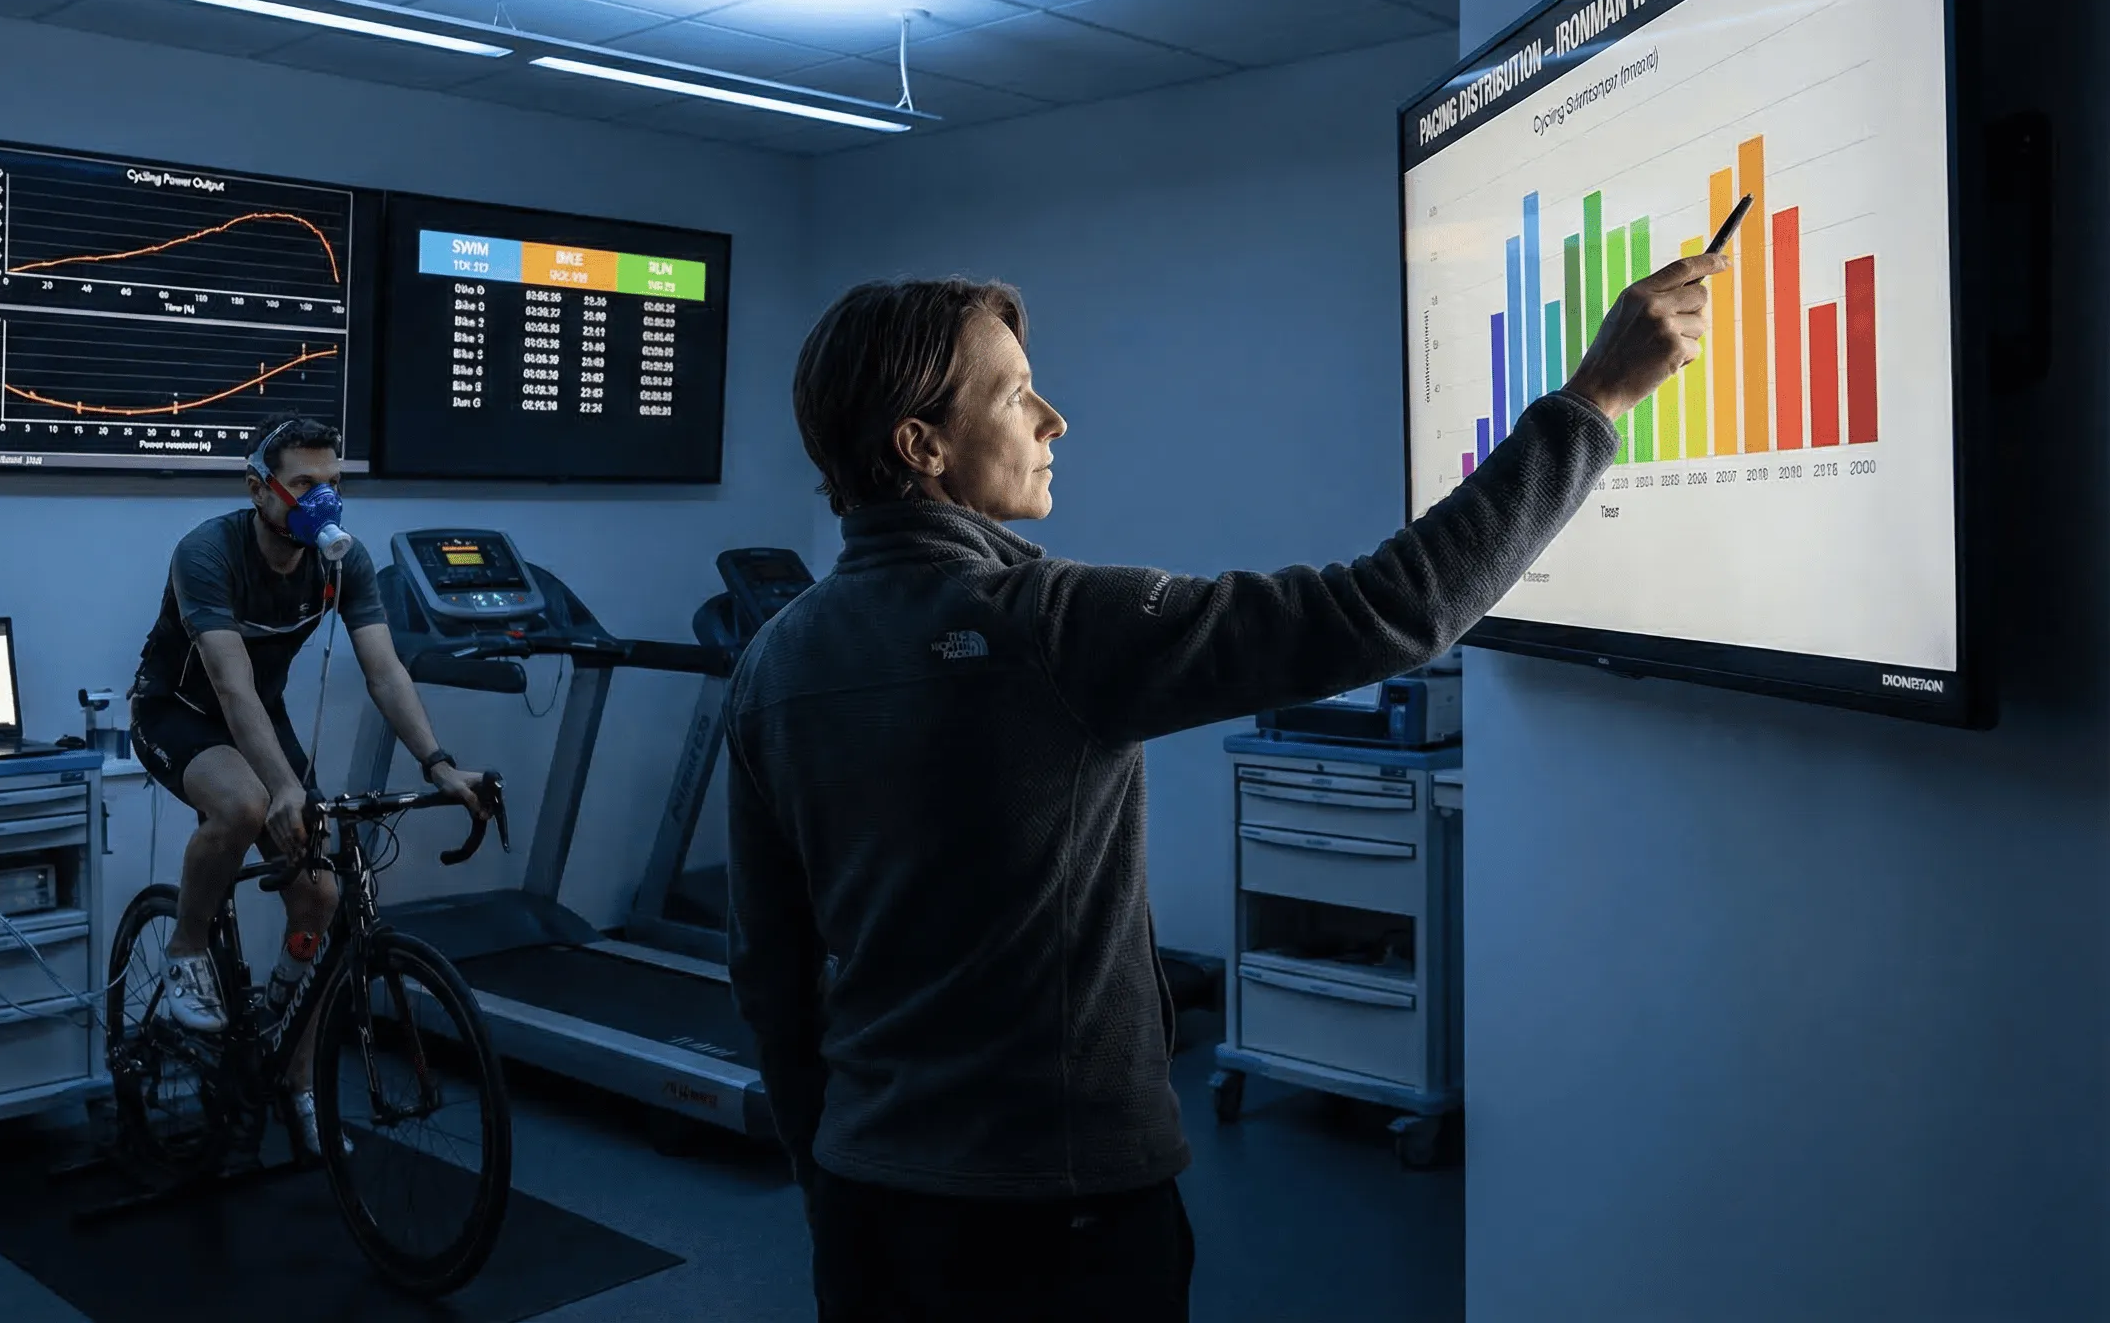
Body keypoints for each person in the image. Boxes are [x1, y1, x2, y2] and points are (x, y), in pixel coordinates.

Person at [725, 255, 1719, 1320]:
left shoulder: (772, 660)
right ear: (920, 447)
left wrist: (822, 1174)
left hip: (869, 1202)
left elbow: (768, 971)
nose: (1053, 419)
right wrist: (1593, 401)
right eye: (1016, 395)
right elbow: (1387, 609)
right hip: (1061, 1216)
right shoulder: (1045, 625)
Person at [128, 416, 489, 1158]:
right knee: (245, 803)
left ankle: (292, 1066)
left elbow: (385, 671)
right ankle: (188, 947)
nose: (321, 501)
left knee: (323, 898)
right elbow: (229, 688)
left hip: (264, 719)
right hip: (181, 713)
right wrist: (286, 786)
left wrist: (439, 763)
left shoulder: (342, 564)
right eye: (303, 486)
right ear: (259, 488)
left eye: (333, 485)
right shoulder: (206, 552)